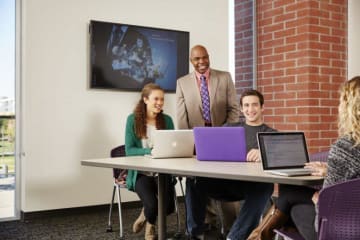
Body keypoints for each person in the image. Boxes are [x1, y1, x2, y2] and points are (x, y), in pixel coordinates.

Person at [248, 76, 360, 240]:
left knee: (289, 196)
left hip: (341, 230)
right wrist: (330, 169)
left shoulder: (346, 146)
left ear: (349, 108)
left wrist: (319, 199)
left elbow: (327, 207)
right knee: (289, 199)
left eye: (341, 102)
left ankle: (257, 236)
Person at [185, 89, 276, 240]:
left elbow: (282, 158)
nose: (250, 109)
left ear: (262, 107)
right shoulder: (229, 128)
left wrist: (264, 153)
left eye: (254, 105)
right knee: (194, 180)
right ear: (241, 108)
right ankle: (194, 233)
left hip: (252, 187)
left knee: (266, 186)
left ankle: (235, 237)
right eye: (246, 105)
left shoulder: (271, 134)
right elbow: (212, 149)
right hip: (225, 183)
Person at [176, 44, 240, 233]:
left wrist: (223, 134)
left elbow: (234, 109)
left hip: (222, 136)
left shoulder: (224, 77)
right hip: (197, 140)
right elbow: (181, 117)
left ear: (208, 57)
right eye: (197, 59)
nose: (202, 61)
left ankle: (233, 228)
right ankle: (206, 225)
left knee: (227, 180)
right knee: (198, 181)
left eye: (204, 57)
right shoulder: (182, 82)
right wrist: (189, 142)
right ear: (191, 61)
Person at [124, 83, 175, 240]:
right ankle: (150, 227)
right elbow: (129, 150)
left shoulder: (167, 120)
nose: (160, 102)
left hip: (162, 171)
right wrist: (149, 151)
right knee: (153, 205)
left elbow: (173, 145)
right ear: (145, 99)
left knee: (168, 207)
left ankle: (145, 214)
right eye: (156, 99)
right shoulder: (133, 120)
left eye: (162, 99)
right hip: (141, 173)